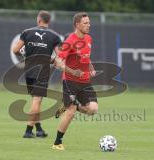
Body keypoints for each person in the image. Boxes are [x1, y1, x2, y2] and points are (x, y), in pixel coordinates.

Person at [12, 10, 81, 139]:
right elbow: (60, 56)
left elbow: (15, 50)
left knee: (35, 100)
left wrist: (24, 53)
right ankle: (28, 131)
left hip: (29, 70)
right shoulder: (54, 36)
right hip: (42, 71)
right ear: (49, 21)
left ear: (38, 19)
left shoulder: (27, 32)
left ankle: (39, 129)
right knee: (37, 101)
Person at [52, 12, 98, 150]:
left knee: (93, 110)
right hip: (70, 81)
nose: (88, 25)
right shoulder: (69, 42)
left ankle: (72, 106)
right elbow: (57, 62)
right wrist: (72, 72)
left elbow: (85, 56)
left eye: (89, 22)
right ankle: (57, 143)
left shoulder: (89, 38)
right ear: (77, 24)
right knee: (70, 113)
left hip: (85, 81)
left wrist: (90, 66)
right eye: (85, 23)